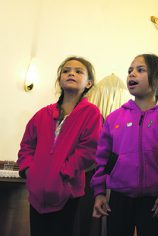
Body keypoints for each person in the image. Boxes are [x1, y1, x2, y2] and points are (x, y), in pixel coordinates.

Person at [91, 53, 158, 236]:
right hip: (119, 197)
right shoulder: (114, 118)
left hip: (155, 199)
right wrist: (99, 192)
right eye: (130, 70)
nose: (132, 74)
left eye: (140, 70)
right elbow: (102, 159)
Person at [17, 56, 103, 236]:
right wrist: (28, 170)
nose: (71, 73)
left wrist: (64, 172)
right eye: (66, 70)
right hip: (37, 195)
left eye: (78, 71)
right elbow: (27, 145)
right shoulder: (43, 114)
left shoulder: (91, 113)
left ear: (88, 83)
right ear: (59, 80)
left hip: (68, 193)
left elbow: (89, 150)